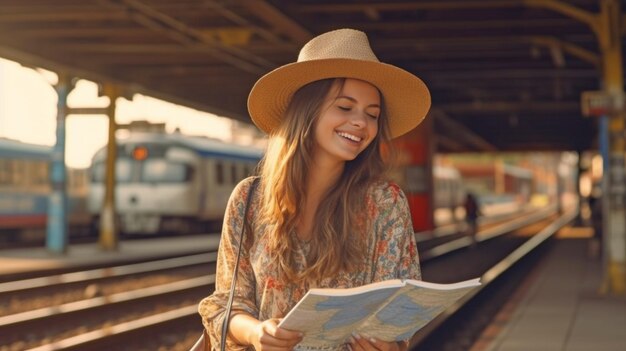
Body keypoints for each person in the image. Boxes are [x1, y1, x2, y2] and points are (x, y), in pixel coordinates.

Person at [198, 28, 431, 351]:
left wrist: (389, 346)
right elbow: (226, 304)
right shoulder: (248, 199)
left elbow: (397, 315)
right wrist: (256, 333)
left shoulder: (385, 202)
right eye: (345, 107)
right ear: (307, 110)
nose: (361, 123)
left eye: (372, 114)